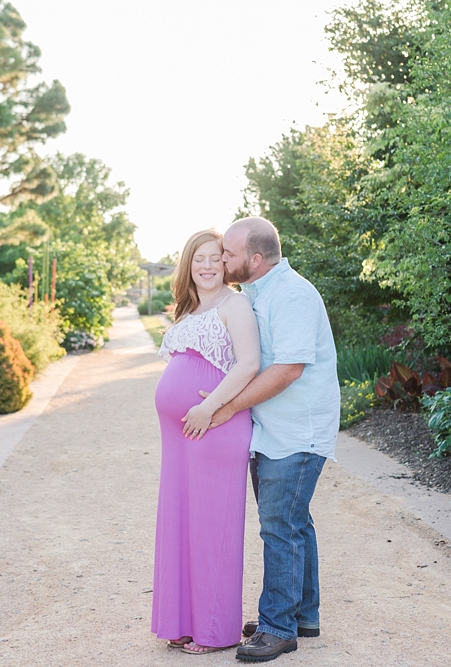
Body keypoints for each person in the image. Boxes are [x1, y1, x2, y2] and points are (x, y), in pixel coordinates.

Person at [199, 216, 340, 663]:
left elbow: (287, 370)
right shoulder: (259, 293)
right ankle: (303, 615)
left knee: (279, 527)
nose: (222, 260)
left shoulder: (292, 294)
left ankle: (277, 627)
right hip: (274, 430)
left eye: (229, 254)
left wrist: (228, 407)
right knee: (295, 522)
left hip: (298, 432)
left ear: (255, 260)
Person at [151, 229, 260, 654]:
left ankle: (215, 631)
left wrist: (208, 409)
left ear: (227, 264)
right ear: (188, 265)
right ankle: (181, 622)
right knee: (180, 523)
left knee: (213, 527)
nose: (208, 266)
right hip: (179, 437)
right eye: (200, 259)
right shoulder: (190, 310)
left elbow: (249, 364)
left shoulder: (236, 305)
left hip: (215, 427)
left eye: (216, 258)